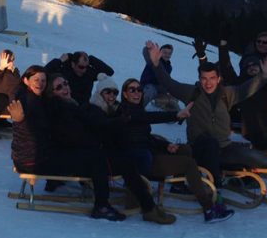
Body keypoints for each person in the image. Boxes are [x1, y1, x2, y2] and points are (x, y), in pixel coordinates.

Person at [94, 75, 233, 223]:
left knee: (185, 149)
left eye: (139, 89)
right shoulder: (125, 112)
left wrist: (165, 145)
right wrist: (175, 115)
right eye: (132, 90)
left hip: (146, 153)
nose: (137, 93)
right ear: (125, 94)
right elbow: (147, 118)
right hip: (141, 161)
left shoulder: (135, 109)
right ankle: (209, 208)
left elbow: (146, 137)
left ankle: (179, 186)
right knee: (188, 163)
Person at [45, 73, 176, 225]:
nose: (65, 88)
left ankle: (149, 207)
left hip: (85, 154)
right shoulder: (66, 109)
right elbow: (80, 132)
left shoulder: (73, 105)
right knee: (119, 162)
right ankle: (106, 206)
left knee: (124, 162)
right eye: (59, 87)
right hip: (74, 159)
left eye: (66, 83)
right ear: (52, 92)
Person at [146, 40, 267, 188]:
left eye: (212, 78)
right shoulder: (190, 92)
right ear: (199, 79)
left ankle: (235, 176)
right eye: (204, 79)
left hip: (224, 147)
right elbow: (168, 83)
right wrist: (156, 64)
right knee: (210, 143)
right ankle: (217, 184)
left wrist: (264, 76)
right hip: (199, 147)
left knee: (263, 160)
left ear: (218, 79)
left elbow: (246, 89)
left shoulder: (227, 94)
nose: (208, 83)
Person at [8, 66, 126, 222]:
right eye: (36, 79)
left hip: (36, 155)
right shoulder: (32, 101)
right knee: (95, 157)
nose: (40, 83)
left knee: (87, 153)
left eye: (43, 80)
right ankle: (101, 206)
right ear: (25, 80)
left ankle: (68, 183)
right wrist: (20, 121)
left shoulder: (38, 99)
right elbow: (28, 128)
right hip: (33, 160)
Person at [45, 50, 114, 105]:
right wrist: (59, 61)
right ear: (73, 64)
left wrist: (91, 59)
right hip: (67, 106)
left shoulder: (89, 72)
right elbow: (44, 72)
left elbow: (109, 72)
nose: (84, 70)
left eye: (87, 66)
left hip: (84, 108)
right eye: (81, 67)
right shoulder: (65, 71)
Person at [140, 43, 180, 110]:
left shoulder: (169, 67)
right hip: (147, 86)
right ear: (160, 53)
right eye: (165, 52)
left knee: (174, 96)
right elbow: (146, 53)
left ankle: (175, 113)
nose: (167, 55)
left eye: (169, 53)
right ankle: (138, 108)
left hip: (160, 88)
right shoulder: (153, 60)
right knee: (151, 91)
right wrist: (148, 48)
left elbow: (166, 80)